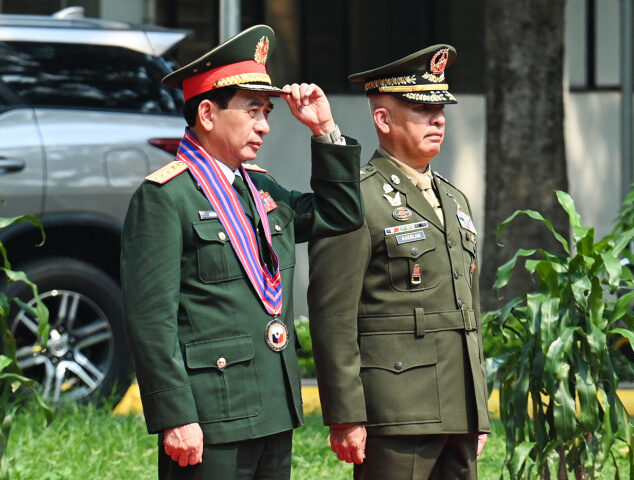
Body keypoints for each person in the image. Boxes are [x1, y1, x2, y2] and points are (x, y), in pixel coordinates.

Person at [120, 25, 363, 480]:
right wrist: (176, 415)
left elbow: (340, 213)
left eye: (267, 111)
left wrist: (324, 130)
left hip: (272, 405)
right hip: (210, 414)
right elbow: (150, 319)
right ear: (208, 114)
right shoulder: (166, 196)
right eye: (253, 110)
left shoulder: (261, 189)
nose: (265, 125)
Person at [308, 44, 490, 479]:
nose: (438, 119)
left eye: (440, 108)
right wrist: (346, 414)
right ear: (383, 120)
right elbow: (332, 313)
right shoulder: (357, 198)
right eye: (421, 109)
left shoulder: (454, 198)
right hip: (395, 410)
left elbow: (470, 310)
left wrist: (477, 406)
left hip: (458, 410)